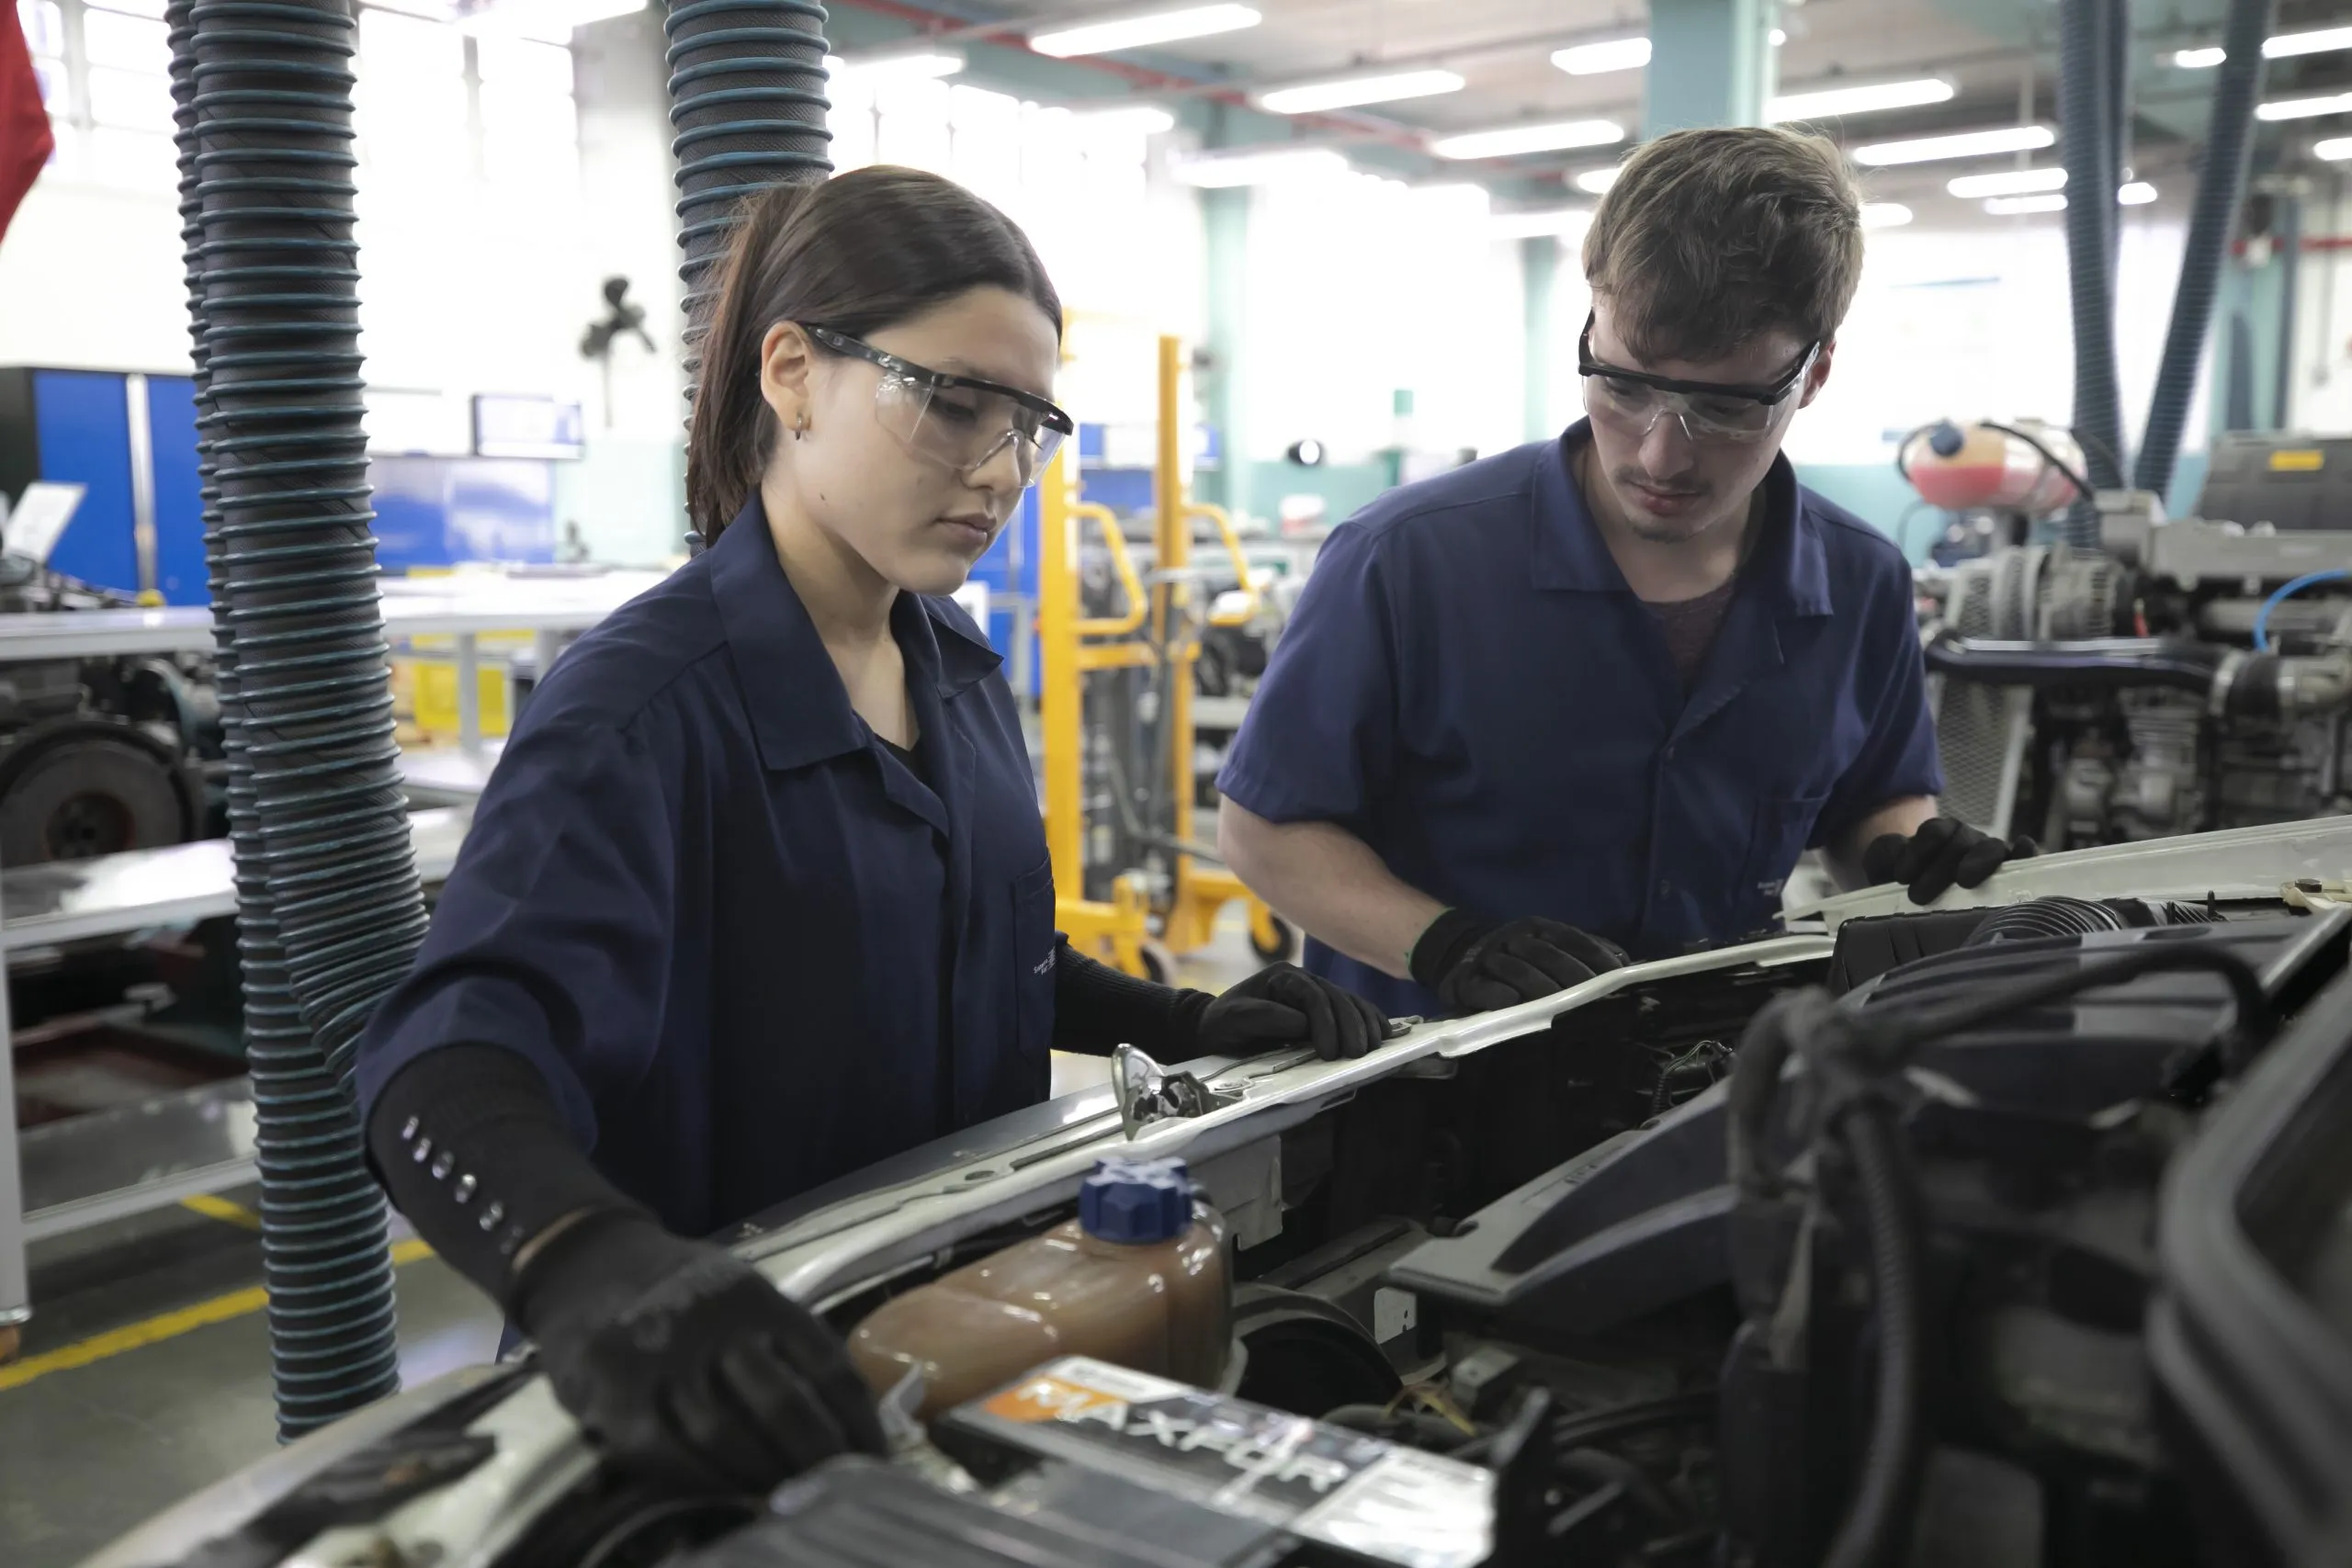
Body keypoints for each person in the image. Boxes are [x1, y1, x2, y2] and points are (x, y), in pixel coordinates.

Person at [355, 166, 1383, 1498]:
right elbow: (442, 1065)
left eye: (1031, 424)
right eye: (956, 403)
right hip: (723, 1404)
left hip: (969, 1340)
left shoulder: (952, 663)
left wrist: (1189, 1021)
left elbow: (988, 952)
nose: (1003, 468)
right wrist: (584, 1259)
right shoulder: (642, 712)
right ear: (792, 372)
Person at [1216, 127, 2030, 1022]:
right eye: (1623, 384)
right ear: (1588, 328)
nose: (1660, 455)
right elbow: (1267, 826)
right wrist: (1443, 943)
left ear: (1814, 374)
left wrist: (1907, 852)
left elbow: (1873, 801)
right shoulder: (1406, 562)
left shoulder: (1861, 583)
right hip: (1427, 1104)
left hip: (1709, 1090)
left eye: (1725, 406)